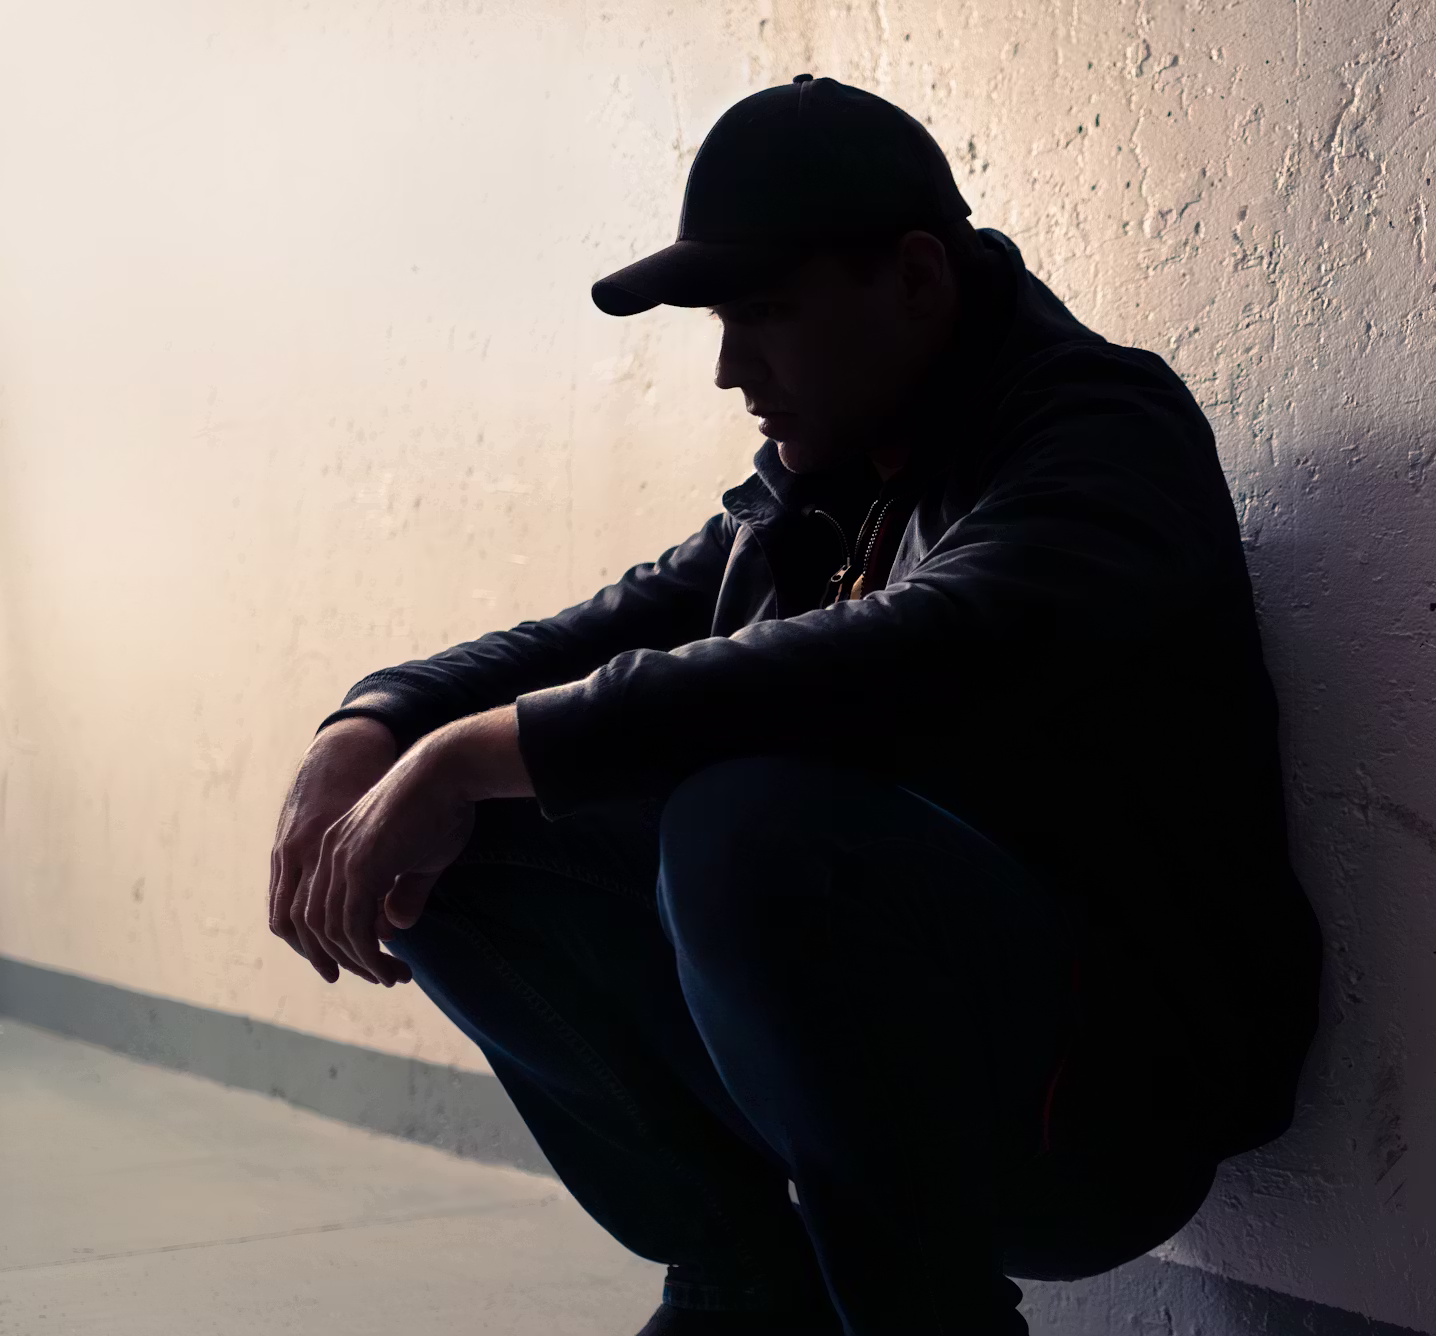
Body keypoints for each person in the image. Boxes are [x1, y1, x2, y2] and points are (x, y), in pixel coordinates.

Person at [263, 74, 1322, 1336]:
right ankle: (742, 1281)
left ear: (917, 279)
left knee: (743, 819)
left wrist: (477, 755)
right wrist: (376, 728)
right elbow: (597, 634)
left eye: (762, 314)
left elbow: (928, 643)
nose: (726, 368)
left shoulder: (1097, 428)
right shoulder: (816, 486)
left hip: (1101, 1104)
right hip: (918, 1070)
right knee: (464, 839)